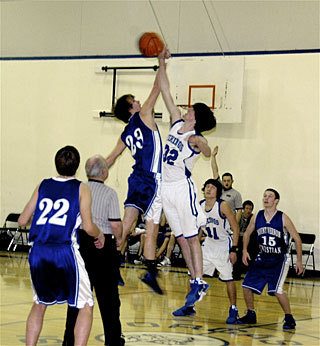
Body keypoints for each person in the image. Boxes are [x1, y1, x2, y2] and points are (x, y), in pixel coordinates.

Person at [18, 146, 105, 346]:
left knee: (39, 303)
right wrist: (99, 235)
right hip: (65, 250)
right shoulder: (81, 187)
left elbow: (22, 220)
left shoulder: (43, 184)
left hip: (38, 250)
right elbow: (88, 225)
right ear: (77, 166)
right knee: (86, 305)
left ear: (56, 163)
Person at [158, 47, 217, 315]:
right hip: (165, 188)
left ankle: (200, 280)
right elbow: (165, 90)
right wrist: (162, 64)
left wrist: (202, 143)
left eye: (192, 107)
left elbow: (205, 150)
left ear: (196, 115)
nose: (187, 106)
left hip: (182, 188)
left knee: (192, 237)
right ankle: (194, 284)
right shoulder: (175, 121)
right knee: (180, 237)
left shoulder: (194, 137)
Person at [105, 67, 163, 294]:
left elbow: (111, 157)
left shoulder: (126, 132)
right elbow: (158, 88)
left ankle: (111, 266)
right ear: (131, 108)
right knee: (152, 228)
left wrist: (95, 178)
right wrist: (162, 64)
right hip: (152, 179)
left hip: (135, 179)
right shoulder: (144, 115)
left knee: (127, 228)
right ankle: (150, 271)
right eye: (135, 100)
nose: (139, 102)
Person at [63, 155, 125, 346]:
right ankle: (113, 340)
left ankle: (69, 340)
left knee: (78, 297)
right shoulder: (109, 194)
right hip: (102, 243)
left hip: (80, 244)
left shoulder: (78, 190)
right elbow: (115, 225)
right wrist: (119, 241)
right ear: (105, 172)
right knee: (109, 299)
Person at [238, 188, 303, 330]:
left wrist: (299, 261)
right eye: (264, 196)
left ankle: (289, 318)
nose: (266, 198)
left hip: (279, 260)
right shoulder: (257, 216)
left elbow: (297, 239)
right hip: (262, 258)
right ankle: (250, 314)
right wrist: (244, 251)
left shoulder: (282, 217)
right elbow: (247, 233)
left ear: (276, 201)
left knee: (277, 290)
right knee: (246, 285)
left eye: (270, 196)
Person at [199, 179, 240, 323]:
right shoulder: (200, 205)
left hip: (223, 245)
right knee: (194, 274)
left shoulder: (222, 205)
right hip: (209, 244)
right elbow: (199, 228)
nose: (208, 189)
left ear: (218, 191)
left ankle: (233, 309)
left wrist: (234, 249)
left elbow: (235, 228)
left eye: (212, 187)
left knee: (228, 278)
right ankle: (189, 305)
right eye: (207, 186)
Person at [211, 146, 243, 222]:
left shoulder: (236, 194)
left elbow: (239, 211)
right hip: (217, 220)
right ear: (222, 181)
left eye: (228, 181)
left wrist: (235, 225)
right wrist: (213, 156)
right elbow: (215, 171)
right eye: (224, 181)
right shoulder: (219, 188)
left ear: (232, 181)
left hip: (229, 221)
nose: (226, 183)